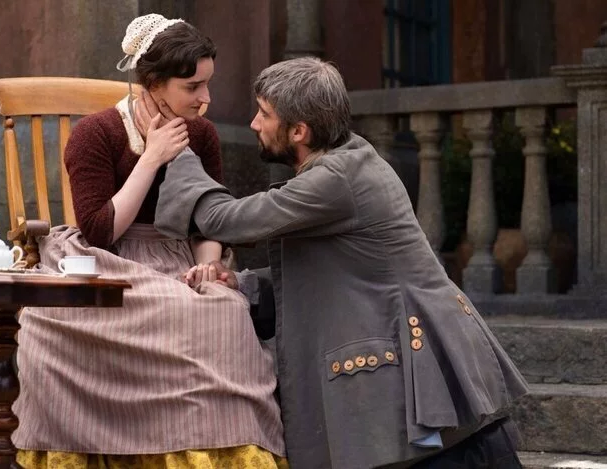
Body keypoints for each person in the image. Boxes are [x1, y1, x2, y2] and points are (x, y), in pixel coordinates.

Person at [152, 57, 530, 469]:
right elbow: (331, 272)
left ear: (299, 131)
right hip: (426, 394)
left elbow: (225, 220)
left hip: (429, 398)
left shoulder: (336, 179)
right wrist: (243, 285)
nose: (255, 123)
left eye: (264, 113)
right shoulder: (347, 161)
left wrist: (178, 153)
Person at [12, 14, 286, 469]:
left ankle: (217, 447)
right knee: (54, 319)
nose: (206, 98)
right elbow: (100, 231)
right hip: (105, 257)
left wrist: (208, 265)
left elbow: (207, 221)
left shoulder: (202, 134)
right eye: (192, 86)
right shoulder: (95, 134)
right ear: (153, 84)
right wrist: (152, 156)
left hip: (177, 254)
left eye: (208, 84)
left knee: (223, 310)